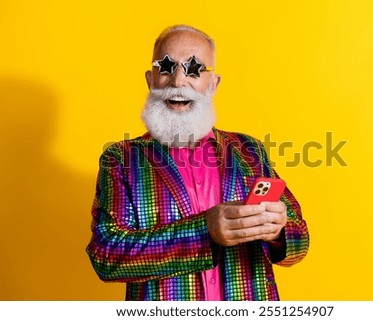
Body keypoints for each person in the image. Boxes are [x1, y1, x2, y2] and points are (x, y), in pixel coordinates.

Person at [86, 24, 309, 301]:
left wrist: (278, 230)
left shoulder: (249, 150)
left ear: (212, 84)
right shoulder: (121, 159)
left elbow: (300, 238)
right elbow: (106, 256)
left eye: (194, 69)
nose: (178, 81)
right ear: (151, 79)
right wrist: (205, 230)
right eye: (166, 67)